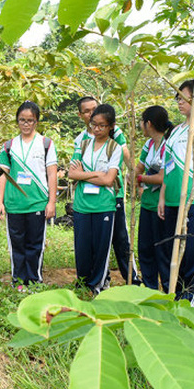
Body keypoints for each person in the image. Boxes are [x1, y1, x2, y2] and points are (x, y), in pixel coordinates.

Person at [157, 79, 194, 308]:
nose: (179, 102)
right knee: (176, 253)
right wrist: (162, 196)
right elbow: (168, 167)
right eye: (178, 98)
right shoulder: (176, 132)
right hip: (172, 201)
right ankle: (179, 300)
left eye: (184, 98)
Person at [73, 96, 140, 286]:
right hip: (87, 199)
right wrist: (94, 175)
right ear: (81, 115)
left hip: (112, 195)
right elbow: (73, 171)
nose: (91, 113)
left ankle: (131, 278)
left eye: (94, 108)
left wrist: (133, 177)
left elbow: (124, 154)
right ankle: (100, 279)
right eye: (87, 111)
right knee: (90, 241)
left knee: (119, 238)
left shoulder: (114, 134)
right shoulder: (82, 139)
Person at [0, 101, 57, 290]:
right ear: (17, 121)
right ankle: (18, 280)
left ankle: (34, 280)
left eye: (30, 120)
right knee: (17, 244)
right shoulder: (9, 146)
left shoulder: (46, 144)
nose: (26, 124)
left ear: (36, 122)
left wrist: (52, 202)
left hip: (38, 203)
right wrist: (0, 202)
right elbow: (2, 175)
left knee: (35, 244)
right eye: (22, 120)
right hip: (14, 204)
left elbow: (52, 173)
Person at [69, 104, 123, 294]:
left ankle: (98, 284)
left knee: (101, 248)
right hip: (82, 204)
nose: (97, 129)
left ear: (111, 126)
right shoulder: (83, 145)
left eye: (102, 125)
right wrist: (96, 175)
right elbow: (72, 173)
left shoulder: (114, 148)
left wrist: (84, 173)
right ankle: (83, 282)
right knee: (82, 247)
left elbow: (109, 179)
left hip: (104, 205)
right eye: (94, 125)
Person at [134, 106, 172, 290]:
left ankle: (167, 287)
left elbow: (162, 177)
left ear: (148, 124)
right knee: (145, 249)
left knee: (162, 250)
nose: (141, 126)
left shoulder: (168, 144)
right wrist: (139, 183)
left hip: (162, 206)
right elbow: (137, 169)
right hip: (147, 204)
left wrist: (140, 180)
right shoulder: (148, 145)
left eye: (142, 122)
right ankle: (149, 287)